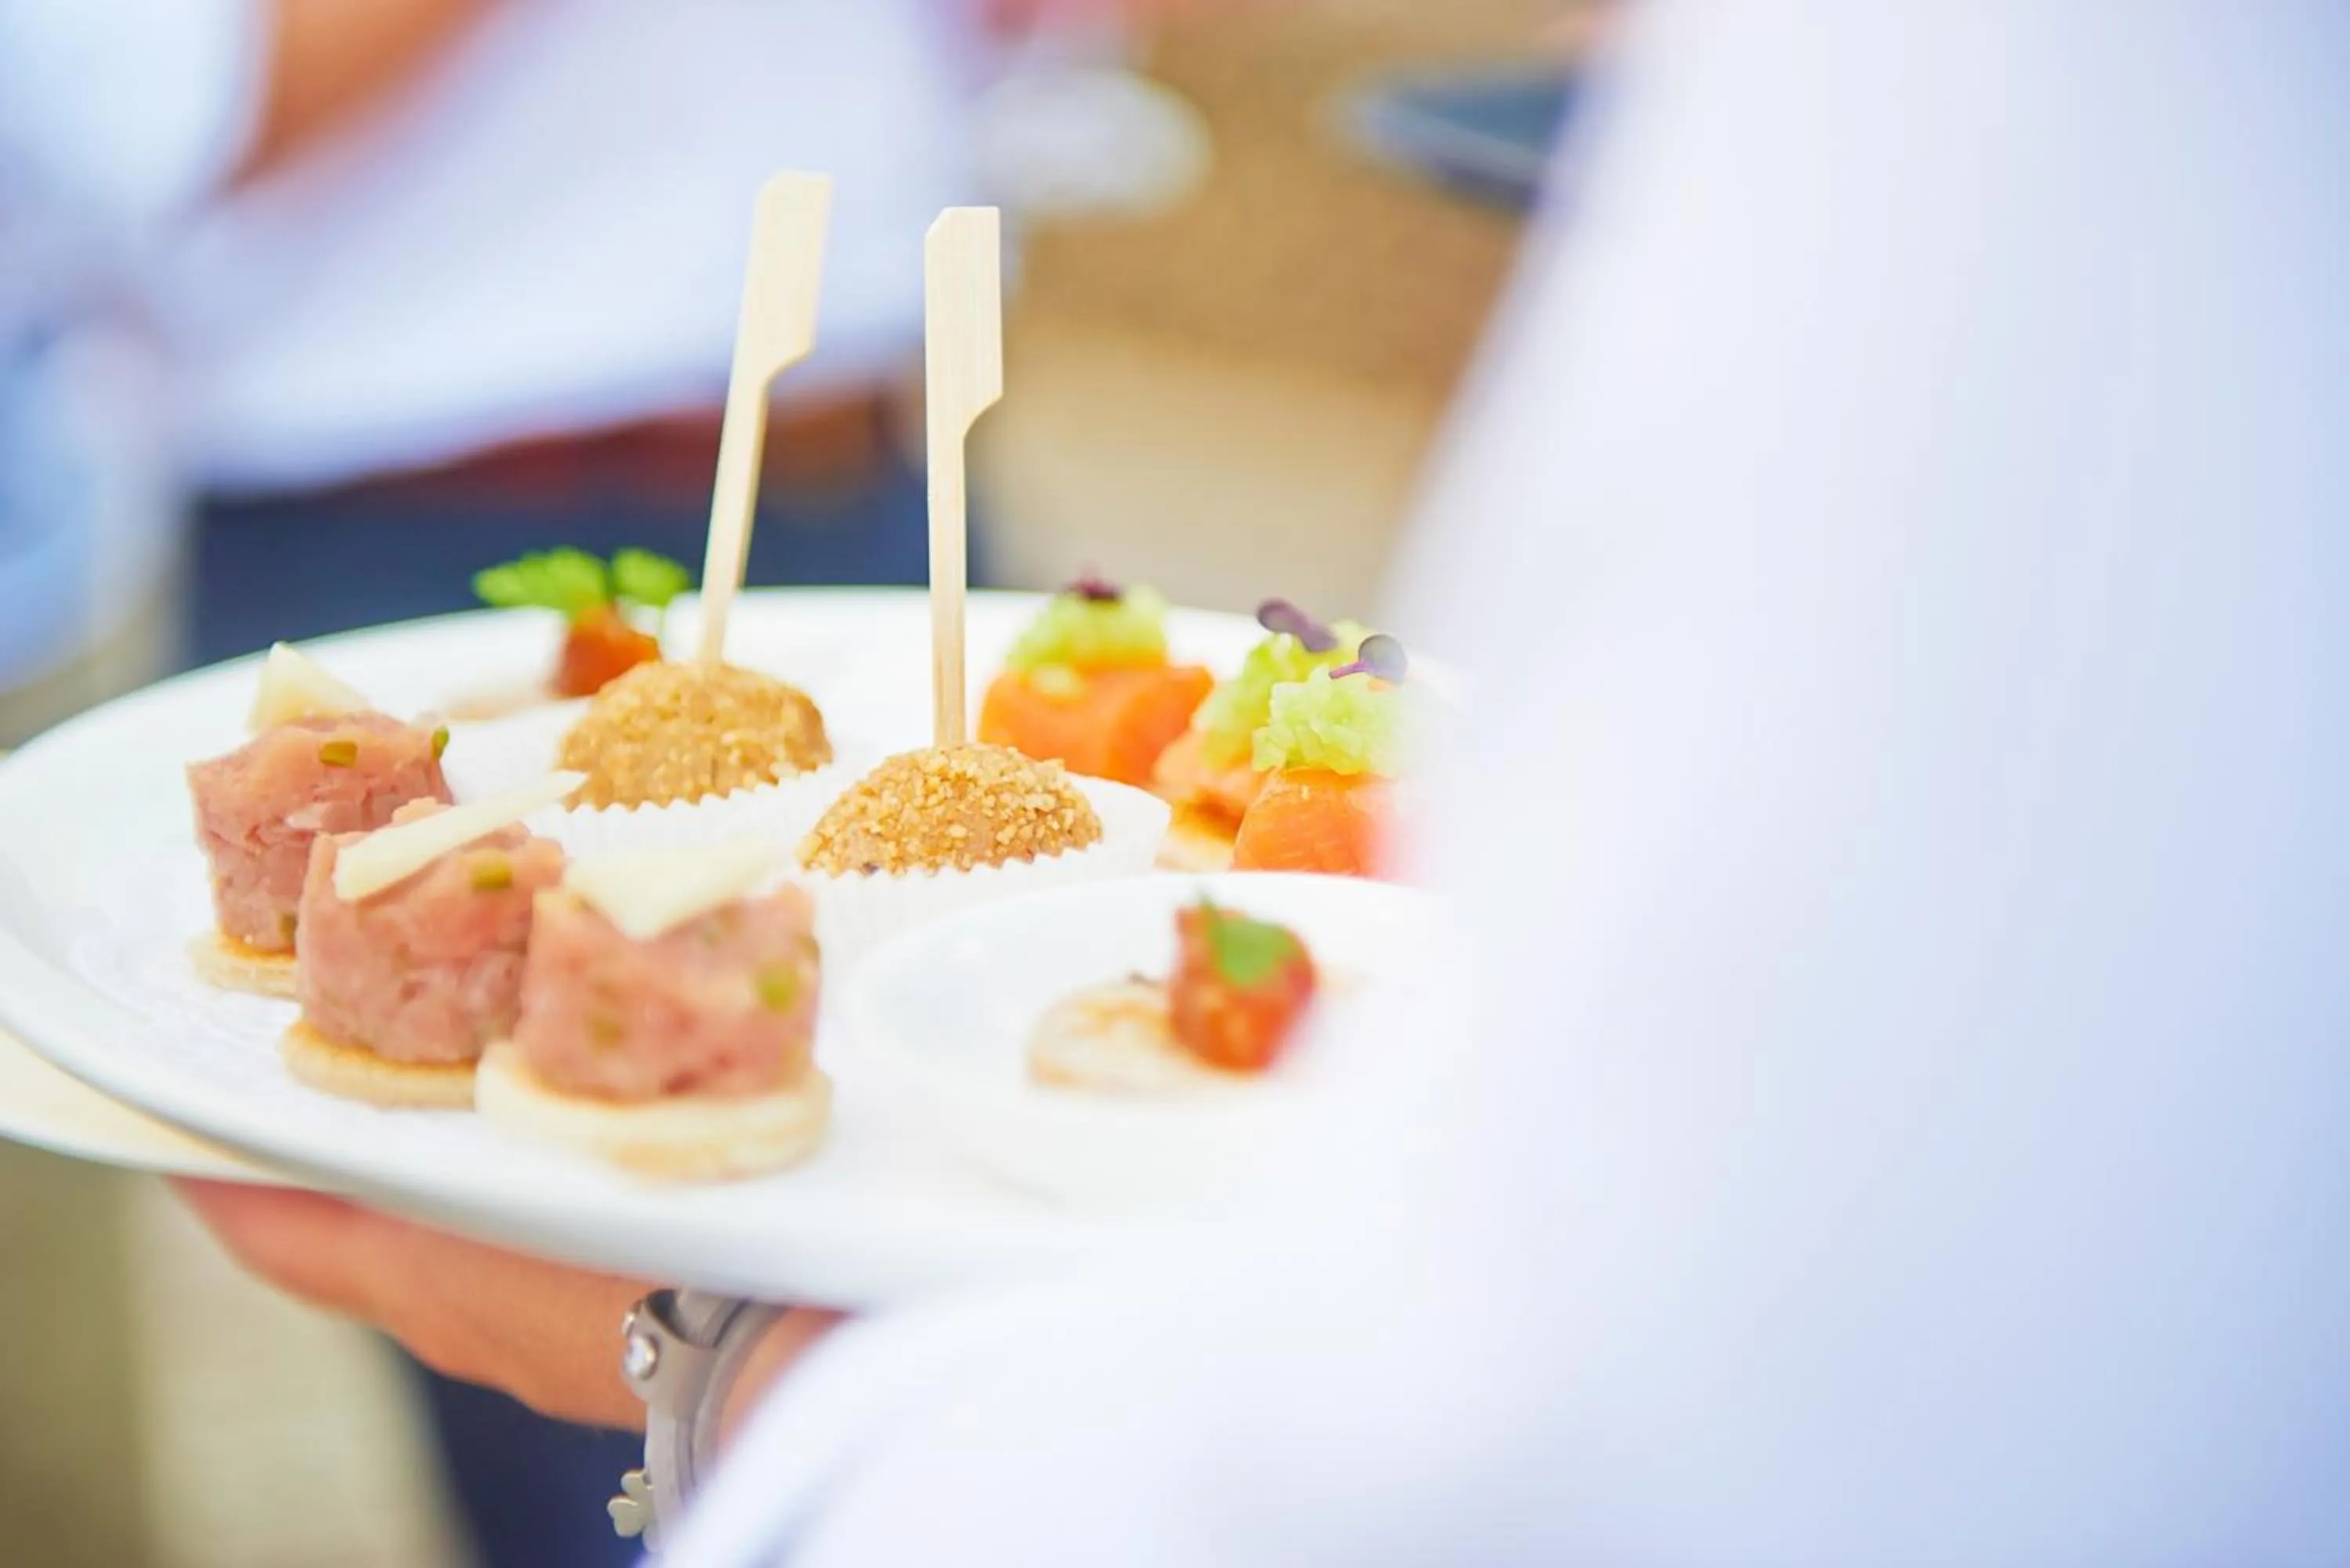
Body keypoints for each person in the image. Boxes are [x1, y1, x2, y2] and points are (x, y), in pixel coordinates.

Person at [177, 0, 2349, 1562]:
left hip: (877, 446)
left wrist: (758, 1388)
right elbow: (161, 108)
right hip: (383, 503)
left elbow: (1616, 1414)